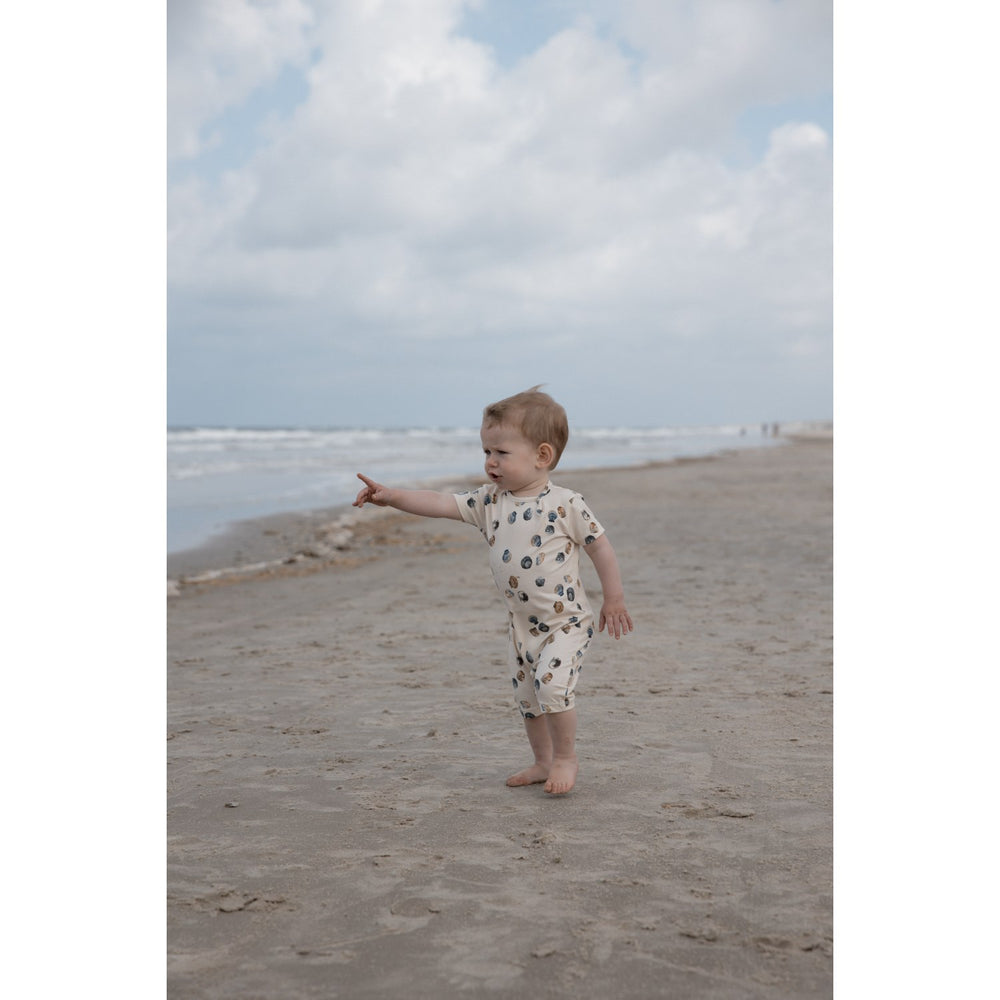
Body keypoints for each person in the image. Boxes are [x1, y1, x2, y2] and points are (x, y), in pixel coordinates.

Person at [353, 387, 633, 795]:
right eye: (486, 451)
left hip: (565, 622)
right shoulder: (489, 502)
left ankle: (565, 758)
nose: (490, 461)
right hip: (522, 626)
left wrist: (614, 598)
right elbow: (440, 502)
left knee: (552, 687)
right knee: (528, 698)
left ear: (542, 455)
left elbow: (600, 547)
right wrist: (392, 496)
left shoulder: (566, 504)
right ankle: (542, 761)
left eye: (501, 452)